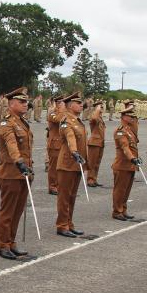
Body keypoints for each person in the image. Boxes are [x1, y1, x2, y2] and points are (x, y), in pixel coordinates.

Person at [0, 88, 35, 260]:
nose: (26, 104)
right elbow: (11, 144)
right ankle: (3, 245)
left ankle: (11, 242)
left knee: (17, 211)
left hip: (23, 173)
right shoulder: (6, 124)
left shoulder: (22, 122)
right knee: (8, 211)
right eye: (22, 102)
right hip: (10, 173)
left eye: (26, 102)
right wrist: (19, 162)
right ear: (11, 104)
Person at [55, 92, 89, 237]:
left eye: (81, 103)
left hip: (77, 164)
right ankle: (62, 225)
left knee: (72, 196)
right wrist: (74, 152)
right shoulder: (66, 121)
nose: (81, 105)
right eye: (78, 103)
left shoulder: (77, 121)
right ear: (70, 105)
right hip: (67, 163)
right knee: (64, 197)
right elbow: (70, 138)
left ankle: (69, 223)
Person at [111, 105, 140, 221]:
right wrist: (132, 158)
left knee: (126, 190)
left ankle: (123, 209)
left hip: (130, 165)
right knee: (120, 190)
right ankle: (117, 211)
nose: (133, 118)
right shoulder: (120, 131)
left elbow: (133, 146)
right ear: (123, 117)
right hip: (122, 165)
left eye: (133, 116)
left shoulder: (129, 130)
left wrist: (135, 159)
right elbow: (125, 147)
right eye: (130, 116)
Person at [46, 94, 66, 195]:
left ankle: (59, 185)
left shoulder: (64, 113)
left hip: (62, 144)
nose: (64, 104)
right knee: (54, 167)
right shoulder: (52, 113)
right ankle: (52, 186)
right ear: (58, 103)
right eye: (62, 102)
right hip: (54, 145)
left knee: (61, 167)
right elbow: (59, 119)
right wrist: (62, 109)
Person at [86, 99, 106, 187]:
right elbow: (94, 118)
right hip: (94, 143)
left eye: (102, 107)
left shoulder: (100, 118)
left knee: (97, 163)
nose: (102, 108)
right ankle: (90, 179)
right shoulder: (94, 116)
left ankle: (94, 179)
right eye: (100, 107)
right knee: (92, 162)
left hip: (100, 142)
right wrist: (97, 109)